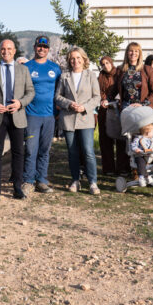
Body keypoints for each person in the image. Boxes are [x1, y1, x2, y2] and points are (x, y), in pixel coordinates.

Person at [0, 39, 35, 200]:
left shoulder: (23, 70)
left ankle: (17, 188)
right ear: (0, 51)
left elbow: (30, 92)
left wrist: (20, 103)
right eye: (3, 49)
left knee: (18, 153)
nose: (6, 51)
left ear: (14, 50)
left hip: (17, 116)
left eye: (9, 48)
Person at [54, 47, 102, 195]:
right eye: (72, 58)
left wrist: (85, 107)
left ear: (83, 59)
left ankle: (93, 182)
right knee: (72, 152)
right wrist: (69, 104)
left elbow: (97, 97)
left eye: (78, 58)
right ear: (69, 60)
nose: (75, 61)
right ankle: (75, 179)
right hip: (68, 119)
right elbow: (57, 97)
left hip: (85, 118)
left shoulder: (91, 75)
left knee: (88, 151)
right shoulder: (64, 76)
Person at [23, 35, 61, 194]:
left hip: (50, 115)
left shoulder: (55, 68)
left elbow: (60, 90)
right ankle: (28, 181)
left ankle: (42, 180)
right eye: (39, 46)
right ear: (34, 47)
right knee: (31, 149)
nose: (42, 49)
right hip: (31, 115)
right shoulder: (27, 67)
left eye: (45, 47)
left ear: (48, 49)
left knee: (45, 149)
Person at [98, 55, 128, 175]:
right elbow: (98, 91)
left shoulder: (119, 74)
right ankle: (108, 168)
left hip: (119, 110)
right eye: (103, 64)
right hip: (105, 110)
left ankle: (123, 168)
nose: (106, 66)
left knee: (122, 139)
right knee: (105, 140)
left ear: (111, 62)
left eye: (107, 63)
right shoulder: (100, 77)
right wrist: (103, 99)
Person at [115, 42, 153, 111]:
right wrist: (106, 99)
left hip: (143, 107)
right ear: (127, 53)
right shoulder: (120, 69)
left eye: (136, 51)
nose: (133, 53)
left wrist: (143, 103)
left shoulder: (147, 69)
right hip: (126, 107)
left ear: (139, 54)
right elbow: (114, 88)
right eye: (131, 51)